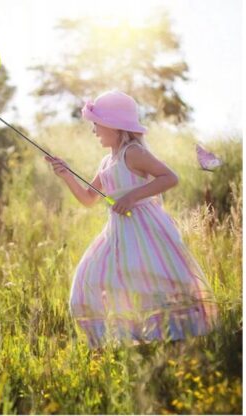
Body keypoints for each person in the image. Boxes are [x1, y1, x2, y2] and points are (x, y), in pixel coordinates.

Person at [45, 90, 220, 350]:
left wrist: (131, 196)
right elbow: (88, 198)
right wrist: (66, 175)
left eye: (97, 125)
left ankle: (174, 339)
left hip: (144, 228)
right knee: (90, 276)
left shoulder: (133, 152)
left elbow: (169, 177)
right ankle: (120, 338)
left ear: (115, 126)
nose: (94, 131)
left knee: (153, 278)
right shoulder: (107, 161)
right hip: (117, 231)